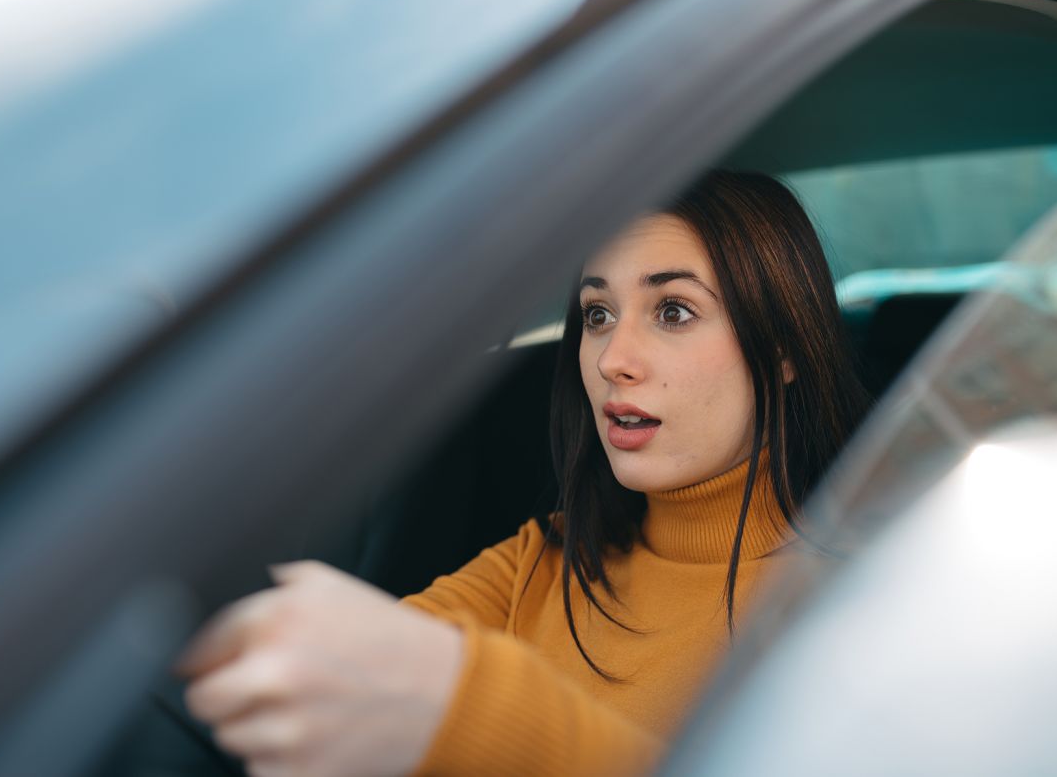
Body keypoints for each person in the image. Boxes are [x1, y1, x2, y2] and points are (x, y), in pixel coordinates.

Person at [178, 170, 870, 777]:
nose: (612, 359)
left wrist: (476, 709)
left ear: (783, 349)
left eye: (673, 311)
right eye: (597, 314)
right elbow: (345, 672)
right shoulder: (543, 559)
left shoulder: (875, 597)